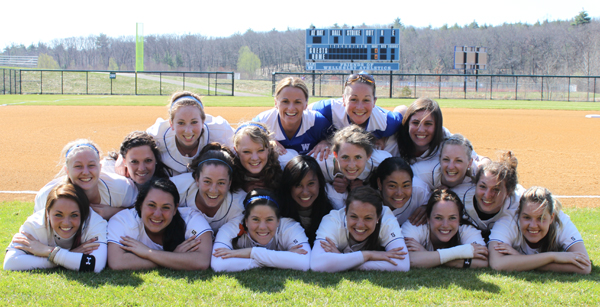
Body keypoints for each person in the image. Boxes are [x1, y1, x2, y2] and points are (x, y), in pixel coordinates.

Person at [107, 178, 213, 270]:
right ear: (140, 205)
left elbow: (202, 261)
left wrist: (148, 253)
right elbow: (117, 262)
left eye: (166, 207)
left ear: (175, 209)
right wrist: (174, 258)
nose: (157, 214)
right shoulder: (122, 221)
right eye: (151, 205)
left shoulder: (191, 218)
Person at [4, 183, 107, 273]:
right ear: (47, 213)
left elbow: (96, 265)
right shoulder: (35, 225)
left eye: (74, 215)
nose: (66, 223)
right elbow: (10, 262)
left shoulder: (94, 223)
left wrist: (49, 252)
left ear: (84, 215)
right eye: (58, 215)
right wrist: (66, 257)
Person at [489, 186, 591, 274]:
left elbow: (585, 267)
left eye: (541, 218)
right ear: (518, 215)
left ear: (551, 218)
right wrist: (552, 256)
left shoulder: (561, 223)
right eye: (527, 217)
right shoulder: (508, 222)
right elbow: (497, 263)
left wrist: (521, 258)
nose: (533, 225)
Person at [310, 186, 409, 272]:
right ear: (345, 212)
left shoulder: (387, 219)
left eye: (368, 218)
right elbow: (317, 264)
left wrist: (344, 260)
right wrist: (369, 255)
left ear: (378, 217)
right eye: (354, 216)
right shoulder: (332, 220)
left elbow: (402, 264)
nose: (360, 225)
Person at [34, 139, 137, 220]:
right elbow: (34, 232)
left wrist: (113, 212)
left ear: (100, 167)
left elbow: (141, 212)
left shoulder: (122, 188)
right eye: (78, 166)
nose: (86, 172)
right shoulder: (47, 196)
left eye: (91, 165)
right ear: (67, 170)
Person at [211, 189, 311, 272]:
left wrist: (251, 253)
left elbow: (305, 262)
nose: (262, 227)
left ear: (278, 221)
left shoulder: (290, 227)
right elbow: (218, 264)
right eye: (255, 219)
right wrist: (280, 260)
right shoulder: (231, 228)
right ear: (246, 221)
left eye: (269, 219)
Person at [309, 72, 403, 158]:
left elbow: (403, 110)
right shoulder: (330, 109)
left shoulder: (386, 121)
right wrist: (325, 140)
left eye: (366, 100)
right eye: (353, 99)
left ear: (374, 102)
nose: (359, 107)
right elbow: (306, 111)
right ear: (343, 100)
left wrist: (383, 137)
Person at [146, 91, 235, 175]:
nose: (188, 131)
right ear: (171, 123)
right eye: (181, 123)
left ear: (203, 121)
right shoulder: (156, 136)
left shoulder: (221, 131)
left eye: (194, 122)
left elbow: (244, 145)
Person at [401, 189, 488, 269]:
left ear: (460, 219)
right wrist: (460, 253)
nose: (445, 225)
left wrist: (427, 254)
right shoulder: (414, 226)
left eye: (452, 218)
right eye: (438, 218)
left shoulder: (466, 230)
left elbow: (483, 262)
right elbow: (407, 259)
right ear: (428, 218)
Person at [171, 143, 246, 233]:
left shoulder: (240, 204)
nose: (213, 190)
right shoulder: (177, 187)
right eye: (207, 181)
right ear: (197, 179)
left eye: (221, 183)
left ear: (229, 183)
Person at [451, 151, 524, 241]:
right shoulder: (456, 196)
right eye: (482, 186)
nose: (487, 195)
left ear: (508, 192)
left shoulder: (519, 203)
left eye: (496, 189)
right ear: (475, 185)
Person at [253, 77, 331, 157]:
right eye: (285, 101)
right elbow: (241, 135)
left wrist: (326, 142)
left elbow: (337, 137)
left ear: (306, 104)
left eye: (298, 102)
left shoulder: (316, 121)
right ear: (276, 102)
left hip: (307, 168)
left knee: (327, 155)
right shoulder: (263, 121)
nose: (291, 108)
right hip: (275, 168)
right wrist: (266, 141)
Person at [317, 125, 391, 209]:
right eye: (345, 157)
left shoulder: (381, 161)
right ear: (336, 154)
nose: (351, 166)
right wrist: (330, 184)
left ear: (368, 155)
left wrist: (367, 187)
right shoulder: (320, 163)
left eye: (358, 157)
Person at [279, 155, 334, 245]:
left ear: (320, 183)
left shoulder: (330, 214)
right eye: (298, 185)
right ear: (288, 186)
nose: (305, 192)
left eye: (311, 184)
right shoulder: (278, 216)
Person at [370, 157, 431, 226]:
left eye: (405, 185)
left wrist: (428, 207)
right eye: (392, 186)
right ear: (380, 184)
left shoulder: (420, 191)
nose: (399, 193)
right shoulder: (369, 201)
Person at [103, 131, 172, 187]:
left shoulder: (170, 173)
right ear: (124, 161)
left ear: (156, 160)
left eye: (148, 160)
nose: (141, 168)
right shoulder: (107, 170)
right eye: (134, 161)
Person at [231, 122, 284, 192]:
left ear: (268, 148)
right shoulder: (228, 173)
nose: (255, 158)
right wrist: (242, 190)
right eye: (247, 152)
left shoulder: (284, 165)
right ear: (237, 151)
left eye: (260, 150)